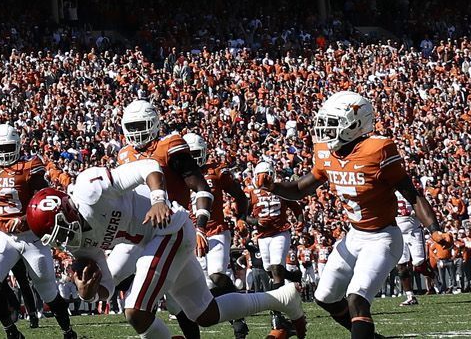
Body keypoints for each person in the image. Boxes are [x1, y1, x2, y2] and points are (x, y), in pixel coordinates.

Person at [27, 158, 303, 339]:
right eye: (56, 236)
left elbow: (146, 166)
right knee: (205, 314)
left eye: (61, 229)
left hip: (167, 227)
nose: (65, 238)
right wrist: (88, 294)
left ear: (66, 208)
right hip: (148, 241)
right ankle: (281, 297)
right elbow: (106, 284)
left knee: (136, 311)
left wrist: (158, 199)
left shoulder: (90, 189)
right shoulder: (77, 243)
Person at [268, 91, 439, 339]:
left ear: (355, 125)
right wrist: (273, 186)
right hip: (354, 236)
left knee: (357, 300)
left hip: (383, 237)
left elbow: (412, 194)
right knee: (324, 297)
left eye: (333, 124)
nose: (326, 131)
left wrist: (435, 230)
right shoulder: (326, 153)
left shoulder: (378, 150)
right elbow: (298, 189)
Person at [117, 100, 217, 339]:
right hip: (140, 233)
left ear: (154, 123)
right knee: (195, 309)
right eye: (132, 125)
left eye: (141, 124)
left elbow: (201, 188)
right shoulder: (124, 155)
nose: (137, 131)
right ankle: (278, 299)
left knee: (160, 305)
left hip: (169, 231)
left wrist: (201, 226)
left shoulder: (168, 145)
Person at [0, 123, 77, 339]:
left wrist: (25, 219)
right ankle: (12, 332)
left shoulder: (29, 166)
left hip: (31, 236)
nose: (4, 153)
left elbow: (48, 201)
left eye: (8, 147)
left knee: (48, 292)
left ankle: (68, 331)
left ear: (18, 146)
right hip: (3, 236)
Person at [183, 133, 252, 338]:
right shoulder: (178, 176)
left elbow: (240, 195)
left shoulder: (216, 172)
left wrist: (241, 217)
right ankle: (234, 312)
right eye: (190, 155)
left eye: (196, 154)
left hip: (216, 230)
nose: (194, 159)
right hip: (191, 234)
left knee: (217, 275)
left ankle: (238, 318)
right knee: (205, 286)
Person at [248, 159, 305, 338]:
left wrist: (301, 222)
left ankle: (277, 314)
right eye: (260, 176)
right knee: (270, 270)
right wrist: (255, 221)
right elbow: (243, 216)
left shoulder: (279, 189)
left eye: (266, 175)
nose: (263, 179)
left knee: (276, 268)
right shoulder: (251, 193)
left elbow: (296, 207)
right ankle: (292, 276)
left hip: (281, 232)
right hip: (263, 236)